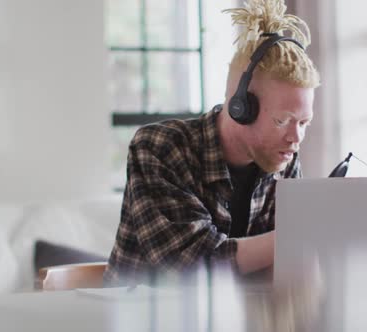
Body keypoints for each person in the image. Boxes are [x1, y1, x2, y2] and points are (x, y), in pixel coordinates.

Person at [104, 0, 320, 286]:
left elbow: (287, 268)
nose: (296, 138)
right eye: (283, 120)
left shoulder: (284, 160)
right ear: (241, 108)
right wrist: (302, 237)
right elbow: (189, 267)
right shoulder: (159, 148)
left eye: (304, 123)